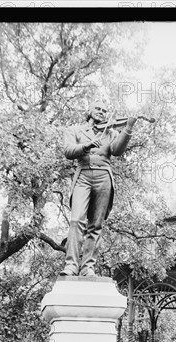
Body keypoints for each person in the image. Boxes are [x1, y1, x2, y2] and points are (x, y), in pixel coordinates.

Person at [61, 101, 137, 277]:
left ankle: (88, 266)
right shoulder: (74, 130)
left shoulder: (111, 132)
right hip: (83, 175)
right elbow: (68, 151)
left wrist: (128, 128)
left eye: (104, 110)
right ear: (90, 111)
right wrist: (86, 146)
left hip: (104, 176)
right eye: (98, 109)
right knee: (76, 220)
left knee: (96, 224)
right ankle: (71, 265)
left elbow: (117, 151)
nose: (101, 112)